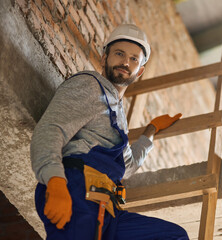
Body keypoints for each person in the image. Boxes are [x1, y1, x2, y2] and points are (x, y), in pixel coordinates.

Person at [31, 23, 189, 240]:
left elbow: (126, 167)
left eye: (134, 59)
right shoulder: (89, 85)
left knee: (174, 236)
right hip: (77, 192)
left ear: (140, 71)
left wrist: (151, 130)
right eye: (119, 53)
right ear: (105, 57)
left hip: (108, 207)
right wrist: (55, 181)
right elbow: (50, 130)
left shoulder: (118, 113)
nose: (126, 62)